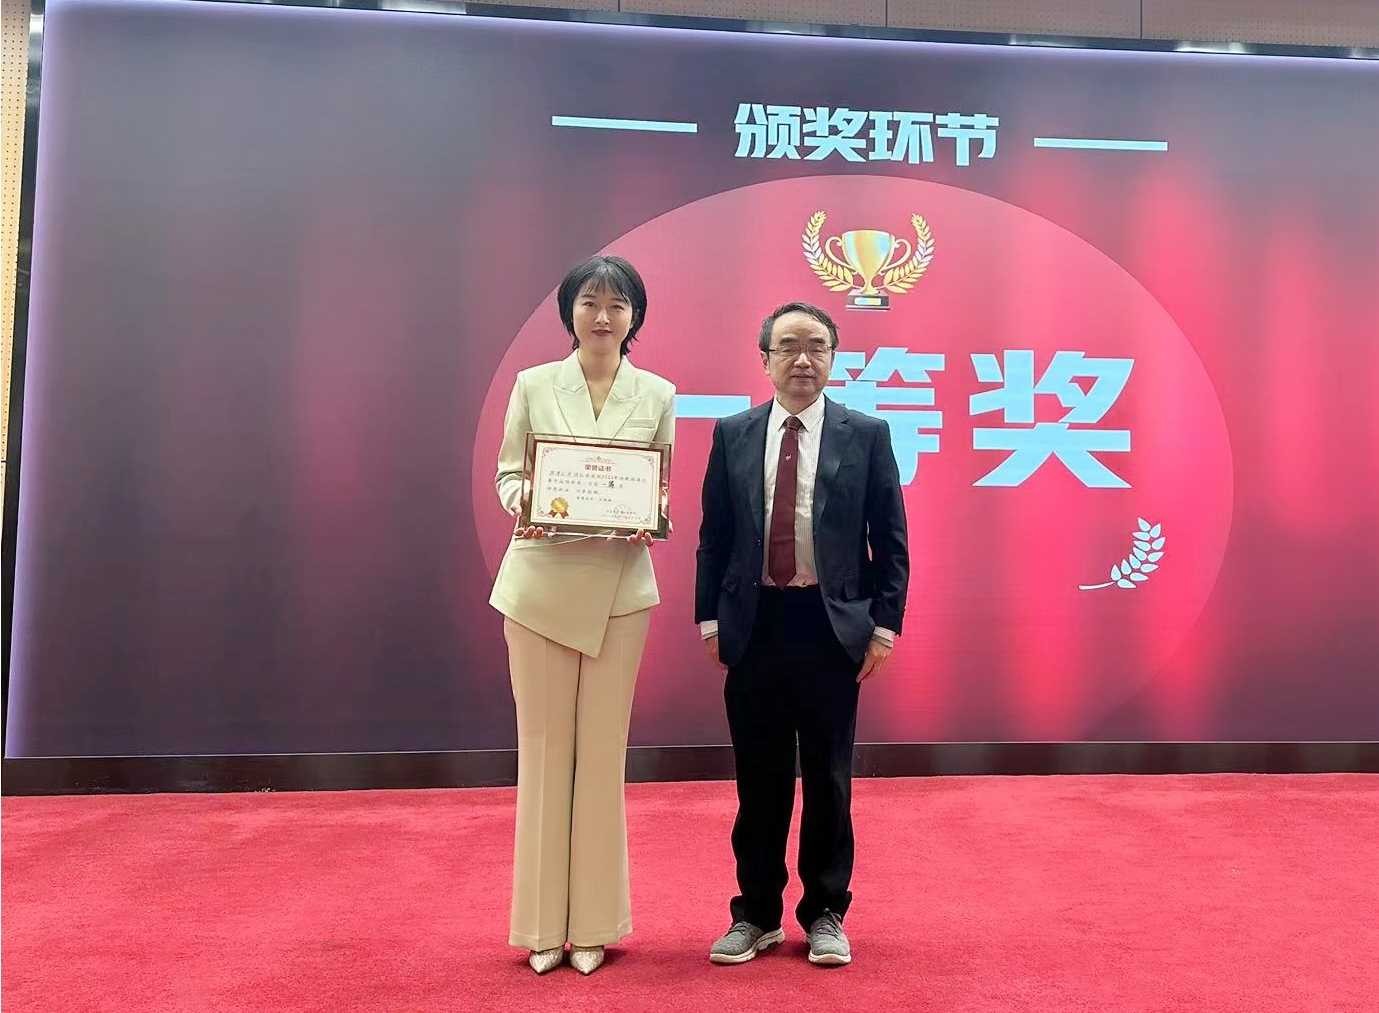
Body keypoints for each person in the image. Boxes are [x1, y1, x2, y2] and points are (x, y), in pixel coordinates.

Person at [696, 301, 909, 967]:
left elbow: (891, 540)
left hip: (830, 626)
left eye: (816, 346)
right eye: (787, 345)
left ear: (833, 359)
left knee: (827, 777)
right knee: (758, 781)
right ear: (764, 359)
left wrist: (884, 627)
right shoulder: (733, 433)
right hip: (754, 623)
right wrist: (709, 619)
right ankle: (756, 913)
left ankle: (824, 912)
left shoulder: (865, 433)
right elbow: (714, 537)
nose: (802, 359)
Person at [489, 255, 675, 975]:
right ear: (569, 310)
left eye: (617, 304)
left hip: (620, 590)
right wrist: (531, 502)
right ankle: (541, 928)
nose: (603, 316)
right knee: (542, 752)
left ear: (635, 317)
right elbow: (510, 472)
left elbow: (658, 486)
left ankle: (594, 924)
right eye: (590, 302)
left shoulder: (657, 393)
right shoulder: (533, 384)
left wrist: (648, 516)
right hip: (538, 584)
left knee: (602, 755)